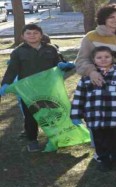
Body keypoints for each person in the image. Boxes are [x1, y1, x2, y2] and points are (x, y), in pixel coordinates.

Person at [0, 24, 70, 152]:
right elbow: (12, 70)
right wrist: (5, 84)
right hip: (28, 90)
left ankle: (55, 137)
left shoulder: (51, 49)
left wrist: (63, 65)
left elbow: (58, 62)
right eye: (28, 33)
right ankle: (32, 140)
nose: (32, 35)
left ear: (41, 35)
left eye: (35, 33)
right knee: (30, 115)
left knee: (52, 113)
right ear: (23, 36)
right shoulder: (18, 52)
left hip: (49, 88)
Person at [71, 47, 116, 172]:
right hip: (95, 117)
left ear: (112, 58)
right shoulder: (87, 77)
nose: (103, 60)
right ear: (93, 60)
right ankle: (104, 160)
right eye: (99, 57)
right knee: (99, 141)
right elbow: (79, 96)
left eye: (107, 57)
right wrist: (76, 114)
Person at [75, 4, 116, 87]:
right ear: (104, 18)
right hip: (97, 83)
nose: (115, 20)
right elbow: (82, 60)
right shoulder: (91, 37)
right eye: (111, 17)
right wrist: (91, 72)